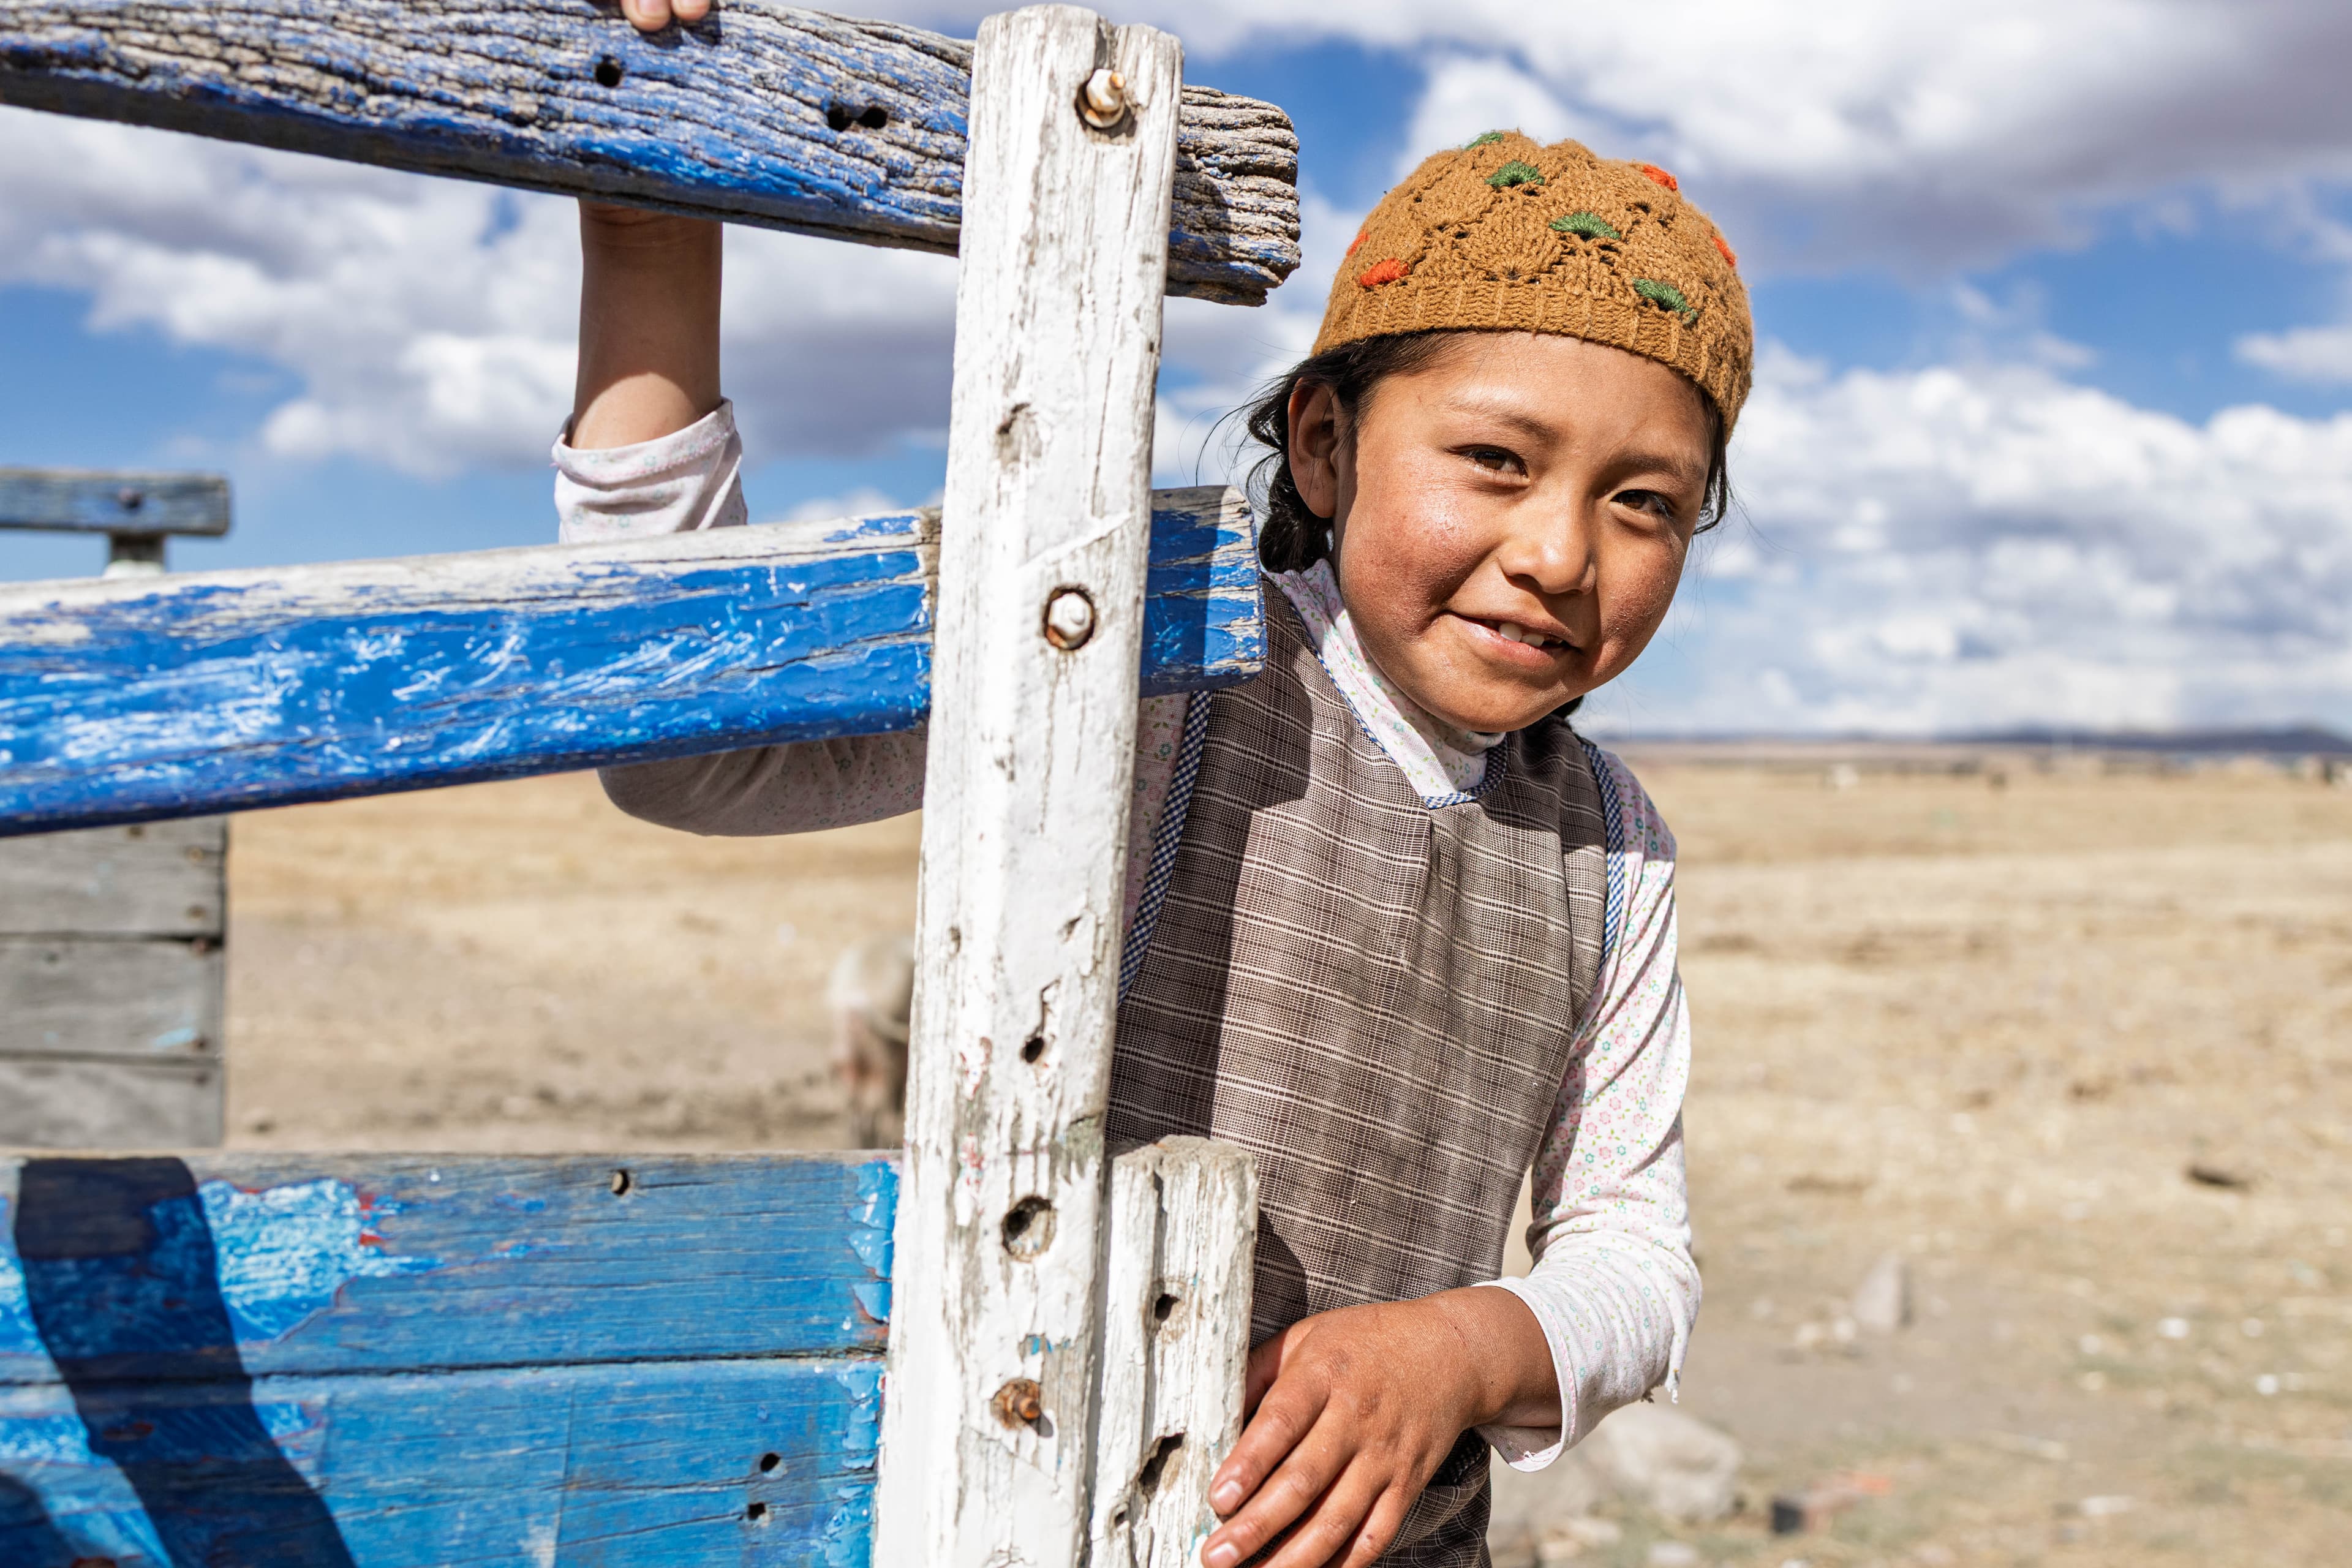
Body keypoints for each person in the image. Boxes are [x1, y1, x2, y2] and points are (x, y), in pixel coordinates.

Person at [560, 10, 1746, 1564]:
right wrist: (652, 227)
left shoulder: (1615, 845)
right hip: (1006, 1518)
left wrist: (1460, 1349)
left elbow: (1637, 1265)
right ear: (1323, 446)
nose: (1558, 553)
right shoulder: (1117, 641)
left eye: (1643, 500)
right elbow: (690, 746)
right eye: (1498, 461)